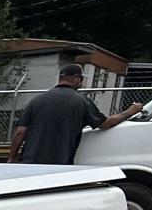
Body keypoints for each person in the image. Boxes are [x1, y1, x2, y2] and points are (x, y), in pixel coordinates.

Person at [10, 64, 142, 164]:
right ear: (74, 79)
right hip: (59, 164)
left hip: (30, 162)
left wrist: (11, 158)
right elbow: (105, 124)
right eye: (81, 80)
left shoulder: (36, 100)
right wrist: (130, 111)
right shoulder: (81, 101)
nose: (81, 83)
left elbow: (20, 132)